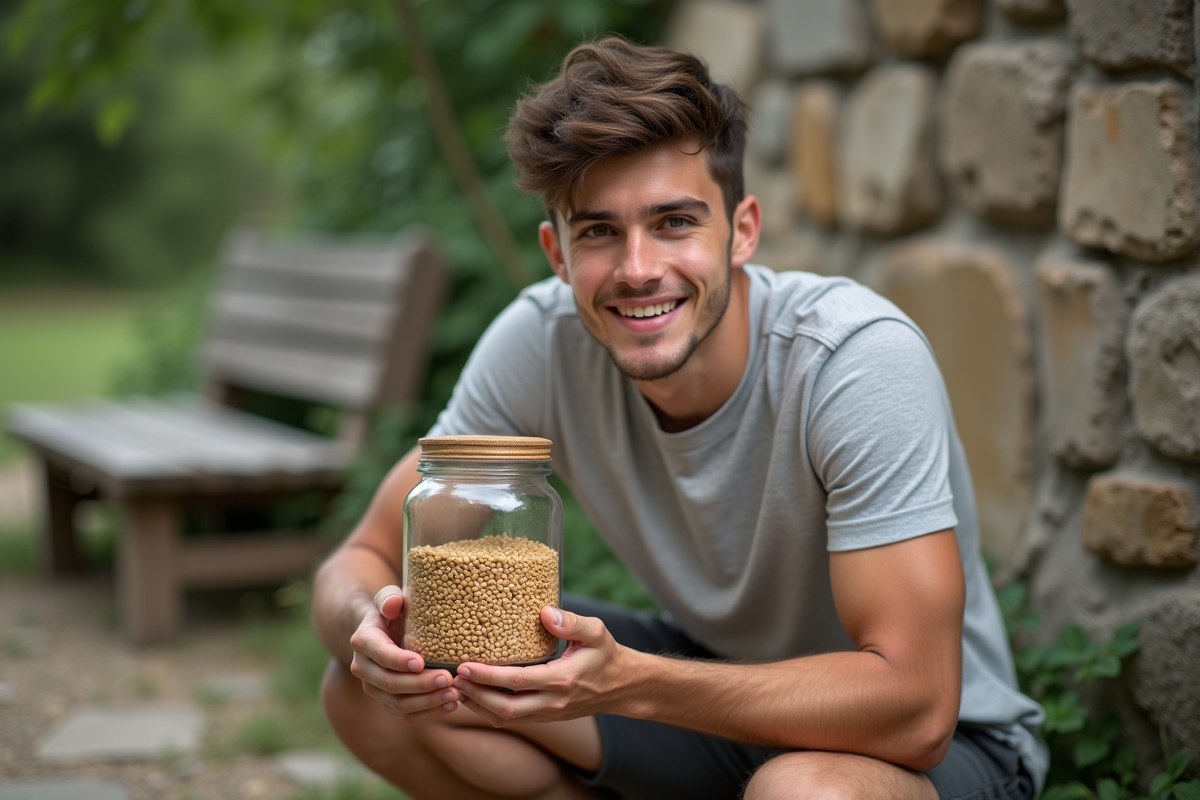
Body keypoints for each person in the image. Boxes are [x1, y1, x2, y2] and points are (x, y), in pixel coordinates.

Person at [312, 37, 1047, 800]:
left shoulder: (853, 360)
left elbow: (918, 707)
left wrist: (632, 684)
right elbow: (360, 560)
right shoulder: (540, 341)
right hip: (711, 684)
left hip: (929, 750)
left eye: (674, 223)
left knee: (802, 794)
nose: (637, 269)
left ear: (744, 230)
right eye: (598, 231)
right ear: (557, 254)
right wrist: (372, 633)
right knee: (360, 696)